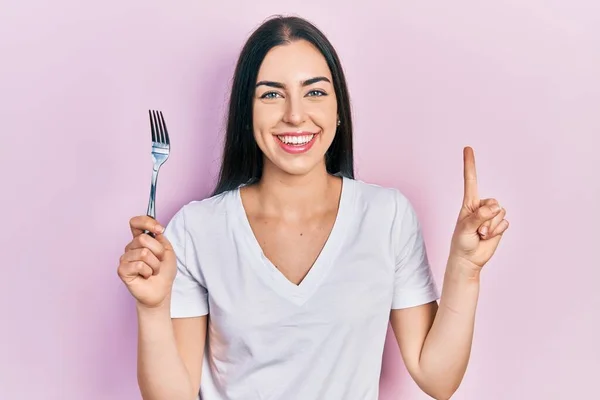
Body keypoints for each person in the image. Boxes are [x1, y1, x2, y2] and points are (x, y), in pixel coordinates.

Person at [117, 15, 509, 400]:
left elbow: (438, 378)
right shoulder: (197, 228)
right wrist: (152, 309)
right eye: (271, 93)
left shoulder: (386, 216)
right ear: (246, 112)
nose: (295, 114)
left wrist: (465, 268)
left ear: (338, 110)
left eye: (315, 91)